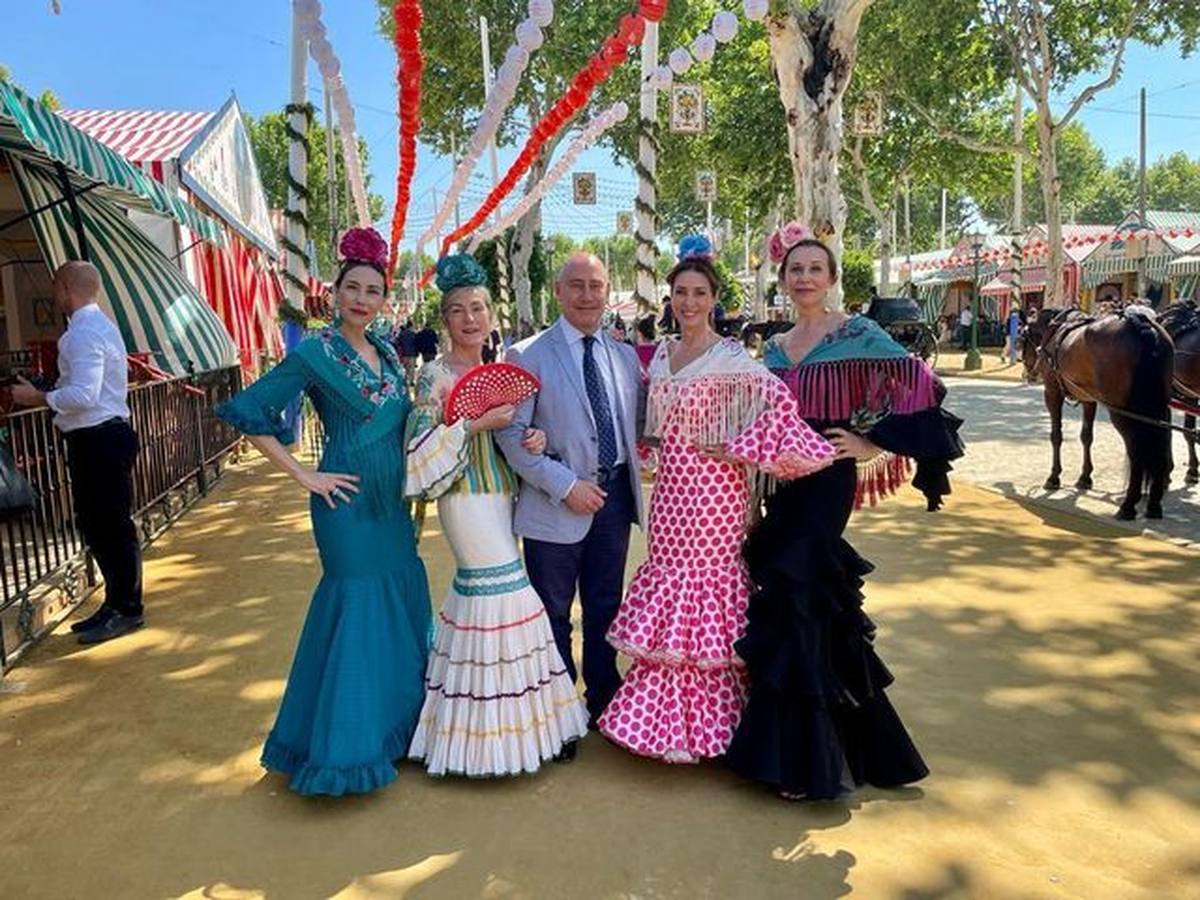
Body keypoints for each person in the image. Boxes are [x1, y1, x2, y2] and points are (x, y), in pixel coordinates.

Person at [727, 222, 963, 801]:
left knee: (799, 591)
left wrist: (872, 443)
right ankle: (833, 745)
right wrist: (754, 501)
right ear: (782, 280)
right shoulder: (776, 348)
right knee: (796, 599)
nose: (804, 278)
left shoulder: (859, 332)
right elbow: (764, 430)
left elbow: (921, 387)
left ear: (831, 278)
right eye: (795, 270)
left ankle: (804, 764)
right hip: (783, 485)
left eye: (814, 269)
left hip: (827, 483)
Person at [598, 237, 834, 763]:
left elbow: (781, 410)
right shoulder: (660, 355)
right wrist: (650, 449)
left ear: (715, 298)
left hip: (716, 498)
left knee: (708, 596)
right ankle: (655, 725)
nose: (689, 302)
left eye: (699, 293)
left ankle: (714, 729)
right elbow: (649, 426)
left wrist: (736, 448)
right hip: (670, 497)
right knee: (669, 587)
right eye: (680, 292)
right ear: (670, 298)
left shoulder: (733, 359)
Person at [215, 228, 431, 796]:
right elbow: (250, 408)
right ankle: (345, 752)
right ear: (334, 293)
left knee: (397, 596)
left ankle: (398, 732)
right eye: (353, 289)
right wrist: (304, 475)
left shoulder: (385, 350)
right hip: (345, 503)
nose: (362, 299)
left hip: (394, 505)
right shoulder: (314, 352)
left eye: (373, 291)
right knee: (357, 606)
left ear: (385, 299)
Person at [404, 254, 588, 776]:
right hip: (463, 498)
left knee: (493, 596)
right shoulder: (433, 377)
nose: (470, 318)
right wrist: (476, 422)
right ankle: (489, 737)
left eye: (478, 308)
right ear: (445, 319)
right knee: (504, 589)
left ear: (491, 314)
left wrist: (534, 437)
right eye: (459, 310)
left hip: (503, 492)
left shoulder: (500, 369)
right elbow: (418, 450)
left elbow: (520, 436)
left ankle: (504, 732)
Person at [495, 252, 645, 747]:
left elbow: (641, 426)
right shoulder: (526, 355)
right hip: (554, 505)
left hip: (615, 500)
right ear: (557, 291)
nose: (587, 295)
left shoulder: (623, 356)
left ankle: (604, 699)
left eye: (596, 285)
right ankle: (558, 714)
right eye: (576, 285)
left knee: (606, 605)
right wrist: (566, 485)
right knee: (553, 612)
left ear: (608, 291)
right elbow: (512, 438)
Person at [12, 261, 143, 646]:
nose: (55, 298)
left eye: (56, 290)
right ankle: (118, 603)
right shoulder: (100, 327)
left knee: (110, 527)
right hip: (102, 437)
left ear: (66, 289)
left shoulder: (83, 334)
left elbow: (84, 395)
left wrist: (40, 397)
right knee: (102, 526)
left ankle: (127, 608)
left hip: (98, 439)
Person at [393, 321, 418, 385]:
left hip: (404, 353)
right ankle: (411, 381)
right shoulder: (414, 334)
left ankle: (405, 380)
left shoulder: (402, 334)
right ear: (411, 326)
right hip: (412, 353)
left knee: (405, 368)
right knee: (412, 368)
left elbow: (397, 342)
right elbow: (417, 343)